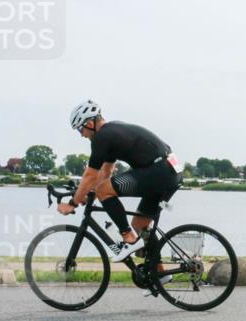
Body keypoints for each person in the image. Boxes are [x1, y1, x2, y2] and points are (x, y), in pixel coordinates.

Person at [60, 100, 181, 264]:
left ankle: (128, 237)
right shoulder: (112, 132)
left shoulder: (102, 137)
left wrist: (73, 203)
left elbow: (90, 175)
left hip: (158, 171)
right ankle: (158, 273)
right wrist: (90, 196)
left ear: (89, 123)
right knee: (140, 226)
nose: (81, 135)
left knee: (104, 190)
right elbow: (105, 171)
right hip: (169, 172)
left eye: (80, 129)